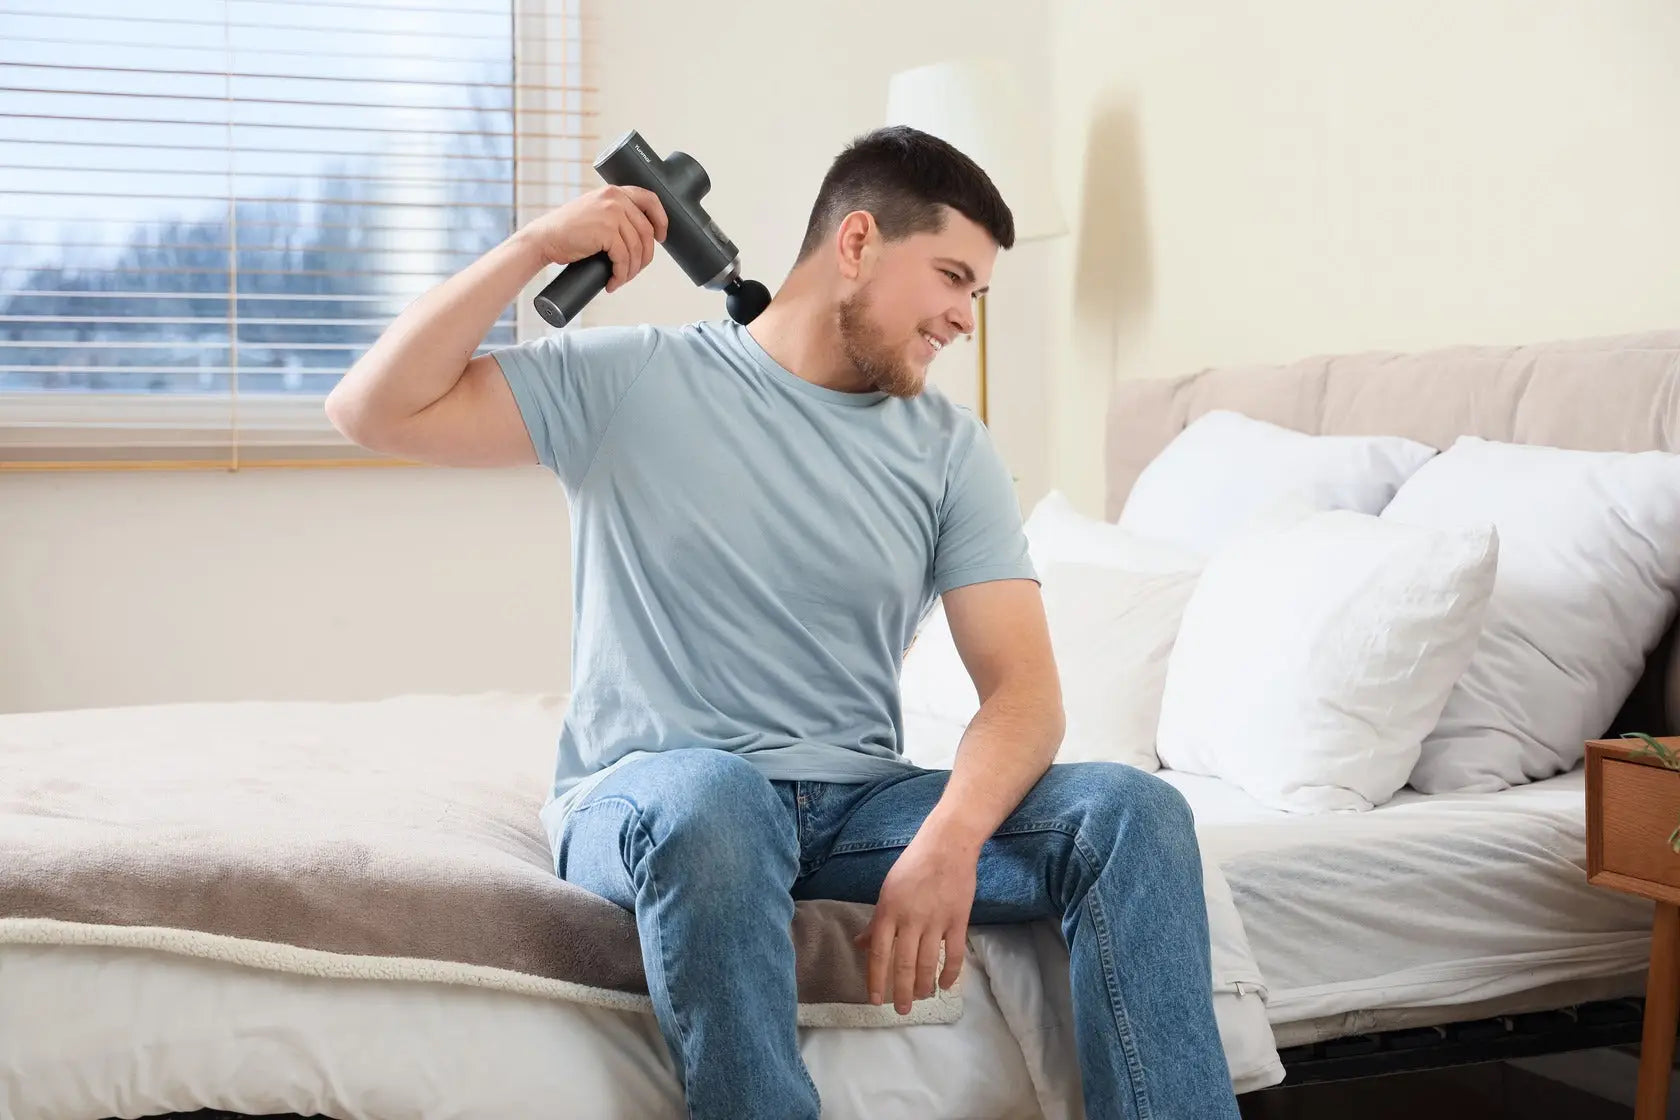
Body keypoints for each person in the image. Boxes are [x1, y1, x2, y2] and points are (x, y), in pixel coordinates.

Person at [325, 124, 1238, 1120]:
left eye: (975, 293)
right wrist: (533, 248)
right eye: (949, 277)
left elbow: (1023, 693)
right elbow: (372, 408)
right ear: (855, 245)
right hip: (659, 795)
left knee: (1135, 813)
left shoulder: (949, 450)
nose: (962, 318)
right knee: (720, 800)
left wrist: (948, 839)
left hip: (853, 810)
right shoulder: (638, 380)